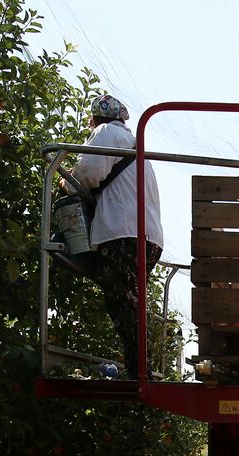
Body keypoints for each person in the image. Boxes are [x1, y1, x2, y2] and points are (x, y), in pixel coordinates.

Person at [65, 93, 165, 379]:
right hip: (146, 236)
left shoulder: (106, 133)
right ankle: (139, 365)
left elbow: (87, 172)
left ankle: (138, 369)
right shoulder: (135, 147)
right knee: (131, 300)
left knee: (122, 301)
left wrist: (66, 182)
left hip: (124, 234)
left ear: (96, 119)